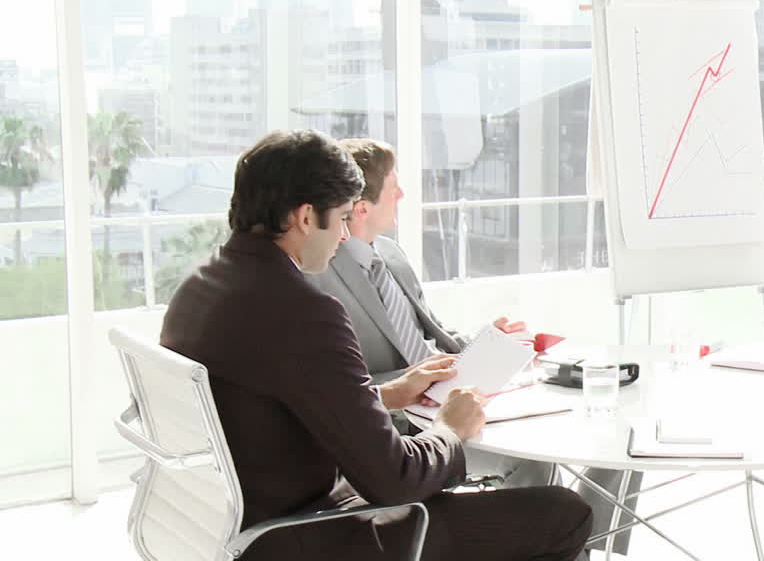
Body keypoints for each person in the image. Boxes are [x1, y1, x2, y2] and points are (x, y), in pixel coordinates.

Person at [161, 130, 591, 561]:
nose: (346, 236)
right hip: (309, 535)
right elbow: (396, 479)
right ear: (306, 217)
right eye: (344, 217)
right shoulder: (305, 313)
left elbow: (275, 403)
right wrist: (450, 428)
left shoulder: (199, 286)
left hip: (234, 524)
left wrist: (385, 395)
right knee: (565, 513)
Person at [307, 138, 641, 556]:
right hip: (409, 424)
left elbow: (432, 335)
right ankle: (562, 544)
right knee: (535, 459)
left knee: (612, 432)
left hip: (452, 388)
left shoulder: (389, 253)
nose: (403, 195)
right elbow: (344, 393)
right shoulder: (319, 275)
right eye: (394, 186)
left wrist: (490, 340)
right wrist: (416, 389)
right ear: (361, 209)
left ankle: (587, 549)